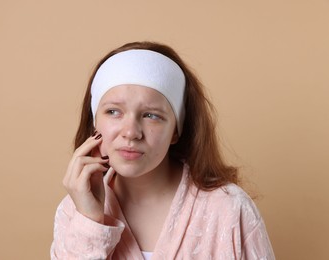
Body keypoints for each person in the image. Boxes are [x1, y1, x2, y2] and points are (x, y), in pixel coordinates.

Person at [50, 41, 275, 259]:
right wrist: (90, 222)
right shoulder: (74, 210)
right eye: (113, 112)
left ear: (176, 130)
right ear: (94, 123)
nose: (131, 132)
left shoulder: (230, 210)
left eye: (151, 115)